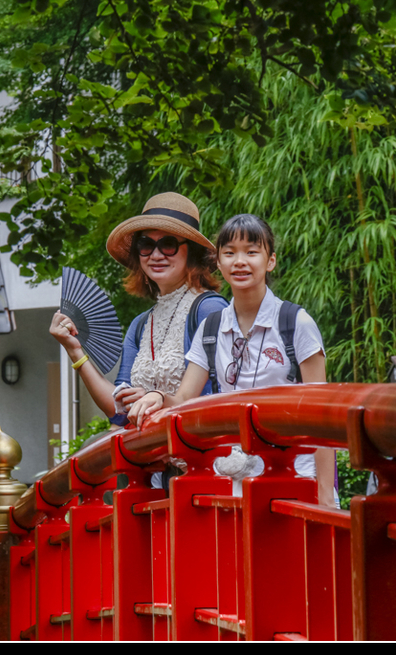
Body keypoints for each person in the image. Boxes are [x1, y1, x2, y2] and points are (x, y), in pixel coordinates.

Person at [129, 214, 337, 506]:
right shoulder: (211, 329)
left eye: (251, 252)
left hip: (297, 481)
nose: (240, 261)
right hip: (233, 484)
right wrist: (159, 396)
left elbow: (321, 416)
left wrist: (325, 496)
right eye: (229, 253)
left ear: (270, 261)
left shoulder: (295, 323)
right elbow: (185, 399)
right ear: (218, 262)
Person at [50, 192, 227, 428]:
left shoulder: (210, 309)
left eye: (168, 244)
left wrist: (158, 398)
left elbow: (225, 394)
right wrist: (75, 351)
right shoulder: (141, 324)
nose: (156, 255)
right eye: (146, 245)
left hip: (199, 446)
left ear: (192, 251)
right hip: (153, 450)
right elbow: (120, 412)